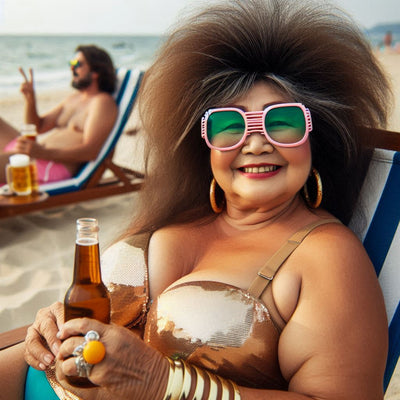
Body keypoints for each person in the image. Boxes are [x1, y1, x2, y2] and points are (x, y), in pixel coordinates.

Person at [0, 0, 392, 399]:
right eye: (228, 125)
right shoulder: (181, 213)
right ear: (203, 143)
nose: (255, 143)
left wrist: (161, 384)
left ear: (314, 136)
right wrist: (51, 320)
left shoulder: (328, 256)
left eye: (282, 122)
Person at [0, 44, 118, 184]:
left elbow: (91, 151)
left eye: (77, 64)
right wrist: (30, 100)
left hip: (49, 167)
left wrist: (42, 153)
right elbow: (38, 127)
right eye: (71, 63)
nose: (71, 68)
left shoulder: (102, 102)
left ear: (95, 72)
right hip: (36, 154)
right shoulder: (74, 99)